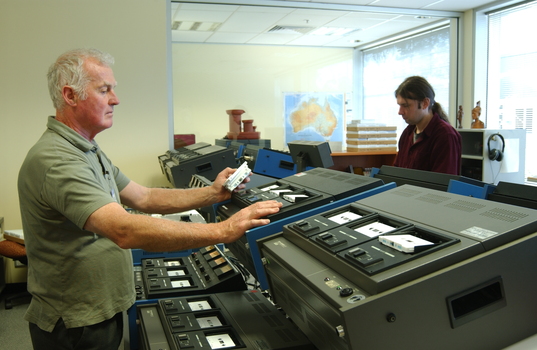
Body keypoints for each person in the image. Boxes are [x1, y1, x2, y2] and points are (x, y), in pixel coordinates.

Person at [17, 48, 282, 350]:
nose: (116, 99)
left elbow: (143, 196)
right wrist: (223, 231)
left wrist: (213, 193)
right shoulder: (57, 159)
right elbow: (124, 229)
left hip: (98, 310)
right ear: (70, 95)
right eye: (104, 90)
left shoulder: (86, 150)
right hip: (76, 322)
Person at [393, 76, 462, 175]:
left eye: (406, 105)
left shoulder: (445, 135)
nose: (400, 112)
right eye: (399, 105)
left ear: (425, 103)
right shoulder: (407, 134)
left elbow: (442, 184)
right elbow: (396, 173)